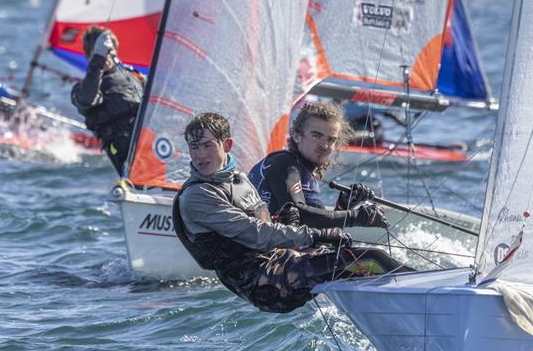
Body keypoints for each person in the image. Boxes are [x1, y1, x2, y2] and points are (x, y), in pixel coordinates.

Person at [172, 112, 409, 313]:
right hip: (262, 282)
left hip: (280, 261)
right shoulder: (197, 196)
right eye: (194, 147)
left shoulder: (238, 179)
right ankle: (435, 291)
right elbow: (255, 233)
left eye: (207, 145)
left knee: (358, 260)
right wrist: (317, 234)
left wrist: (338, 209)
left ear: (227, 145)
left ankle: (409, 307)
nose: (200, 155)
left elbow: (264, 222)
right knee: (371, 258)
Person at [248, 101, 388, 230]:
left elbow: (318, 231)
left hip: (288, 251)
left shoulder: (305, 172)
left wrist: (343, 205)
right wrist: (357, 216)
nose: (324, 145)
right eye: (316, 136)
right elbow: (300, 215)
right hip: (260, 254)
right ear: (296, 136)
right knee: (376, 256)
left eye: (331, 140)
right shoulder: (283, 163)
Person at [71, 25, 145, 175]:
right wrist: (97, 61)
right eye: (98, 54)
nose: (105, 58)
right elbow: (87, 99)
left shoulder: (135, 77)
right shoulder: (82, 90)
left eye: (108, 53)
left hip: (152, 144)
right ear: (89, 57)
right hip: (124, 152)